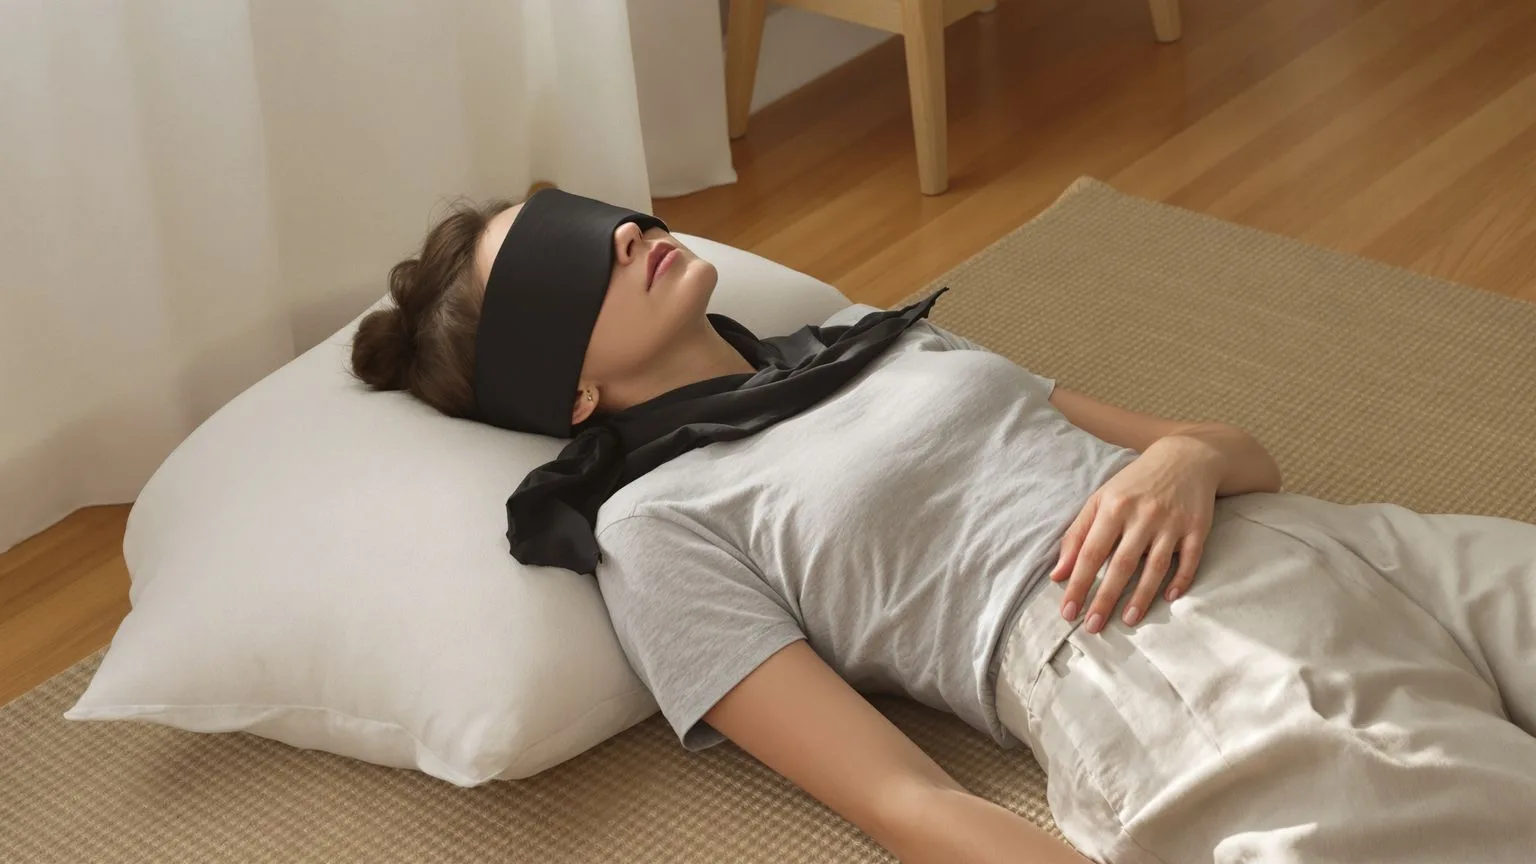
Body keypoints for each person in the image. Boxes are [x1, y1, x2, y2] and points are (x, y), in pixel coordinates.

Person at [351, 190, 1536, 864]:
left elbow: (1232, 448)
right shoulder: (656, 527)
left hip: (1329, 539)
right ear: (568, 396)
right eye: (570, 269)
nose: (618, 233)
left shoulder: (872, 332)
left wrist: (1179, 459)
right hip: (1149, 649)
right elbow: (901, 800)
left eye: (593, 215)